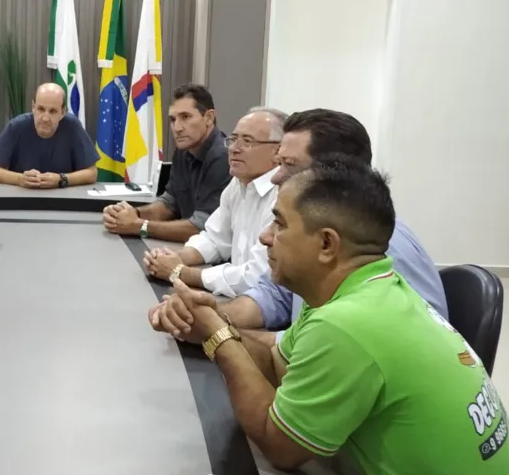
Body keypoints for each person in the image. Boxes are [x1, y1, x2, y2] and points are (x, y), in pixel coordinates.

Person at [151, 157, 509, 475]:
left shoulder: (348, 324)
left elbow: (278, 442)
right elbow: (280, 362)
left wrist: (217, 336)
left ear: (327, 243)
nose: (265, 237)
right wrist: (216, 321)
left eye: (278, 223)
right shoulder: (366, 290)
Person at [151, 108, 448, 347]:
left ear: (338, 178)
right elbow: (274, 296)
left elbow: (320, 347)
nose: (276, 177)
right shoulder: (317, 229)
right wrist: (210, 315)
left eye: (290, 166)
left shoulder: (373, 248)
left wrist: (216, 332)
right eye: (278, 163)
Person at [144, 107, 285, 297]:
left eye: (247, 141)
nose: (234, 149)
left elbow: (257, 277)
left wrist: (179, 272)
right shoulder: (238, 184)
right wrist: (175, 257)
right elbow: (215, 238)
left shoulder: (283, 196)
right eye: (234, 139)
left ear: (278, 151)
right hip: (238, 299)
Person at [102, 84, 230, 242]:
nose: (177, 128)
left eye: (186, 117)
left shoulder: (223, 157)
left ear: (209, 118)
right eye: (172, 119)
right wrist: (131, 214)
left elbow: (202, 227)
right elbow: (169, 204)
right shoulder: (183, 151)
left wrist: (138, 226)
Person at [0, 82, 98, 188]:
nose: (45, 118)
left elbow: (92, 173)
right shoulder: (17, 126)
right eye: (41, 109)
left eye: (53, 111)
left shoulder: (72, 126)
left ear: (63, 112)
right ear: (33, 107)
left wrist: (61, 179)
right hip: (22, 198)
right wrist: (20, 179)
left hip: (63, 199)